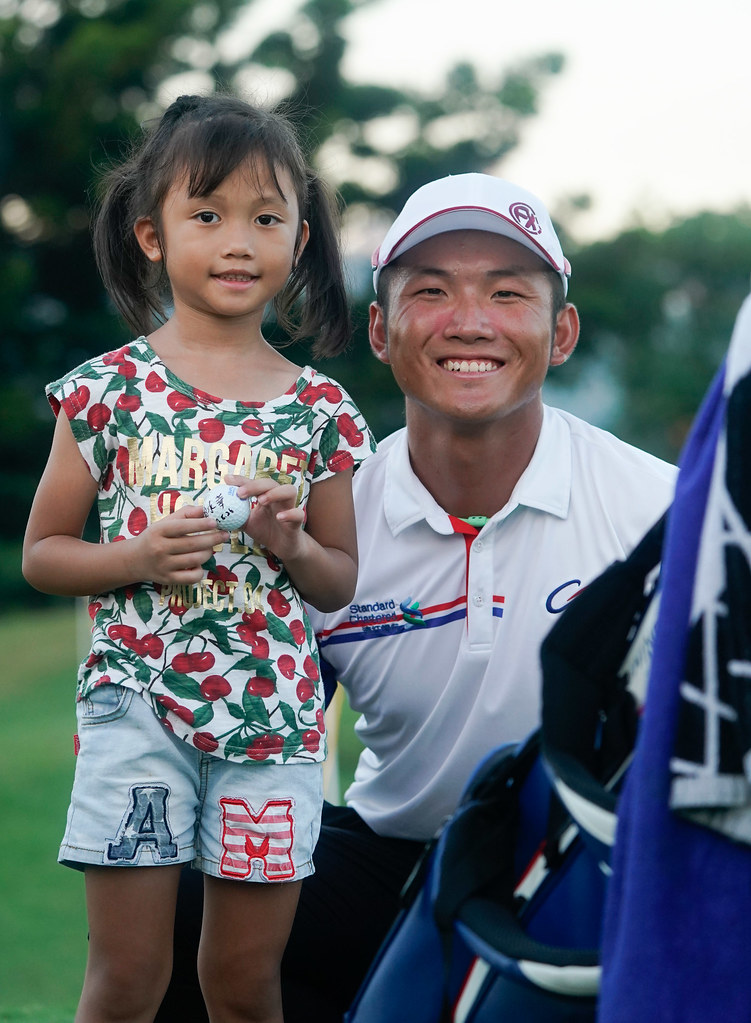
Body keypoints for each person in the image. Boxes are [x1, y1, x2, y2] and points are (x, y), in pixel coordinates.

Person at [156, 172, 677, 1021]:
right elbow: (260, 742)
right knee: (193, 885)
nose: (468, 320)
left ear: (561, 332)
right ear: (380, 329)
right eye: (429, 292)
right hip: (391, 862)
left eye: (508, 293)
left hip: (586, 869)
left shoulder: (660, 512)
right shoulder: (319, 516)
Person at [22, 93, 373, 1023]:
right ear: (151, 235)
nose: (237, 241)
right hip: (135, 711)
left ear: (298, 243)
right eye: (206, 214)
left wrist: (292, 542)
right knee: (128, 982)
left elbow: (339, 581)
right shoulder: (104, 392)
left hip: (273, 724)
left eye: (266, 218)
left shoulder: (322, 412)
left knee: (245, 986)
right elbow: (44, 556)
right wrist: (135, 553)